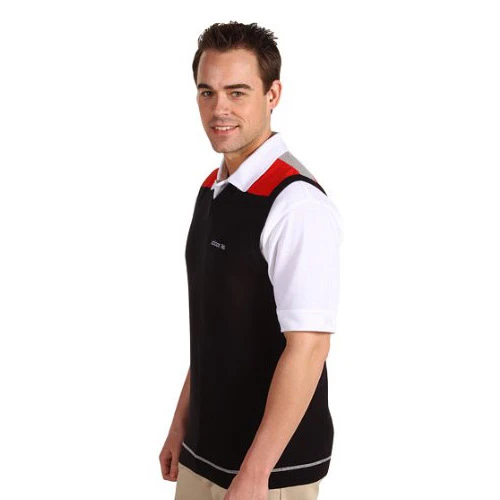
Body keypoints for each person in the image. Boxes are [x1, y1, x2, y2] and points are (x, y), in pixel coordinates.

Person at [159, 21, 343, 500]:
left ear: (272, 94)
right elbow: (214, 328)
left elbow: (309, 348)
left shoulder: (297, 205)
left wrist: (256, 474)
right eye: (207, 92)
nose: (219, 108)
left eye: (237, 92)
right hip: (204, 452)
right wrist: (181, 424)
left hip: (266, 474)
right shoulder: (213, 189)